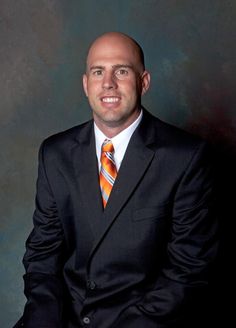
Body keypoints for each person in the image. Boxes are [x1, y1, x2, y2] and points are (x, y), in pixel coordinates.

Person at [15, 32, 218, 328]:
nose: (108, 83)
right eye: (99, 71)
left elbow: (188, 271)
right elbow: (42, 254)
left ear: (144, 82)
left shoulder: (185, 157)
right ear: (86, 85)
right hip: (63, 319)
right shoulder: (55, 153)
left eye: (121, 71)